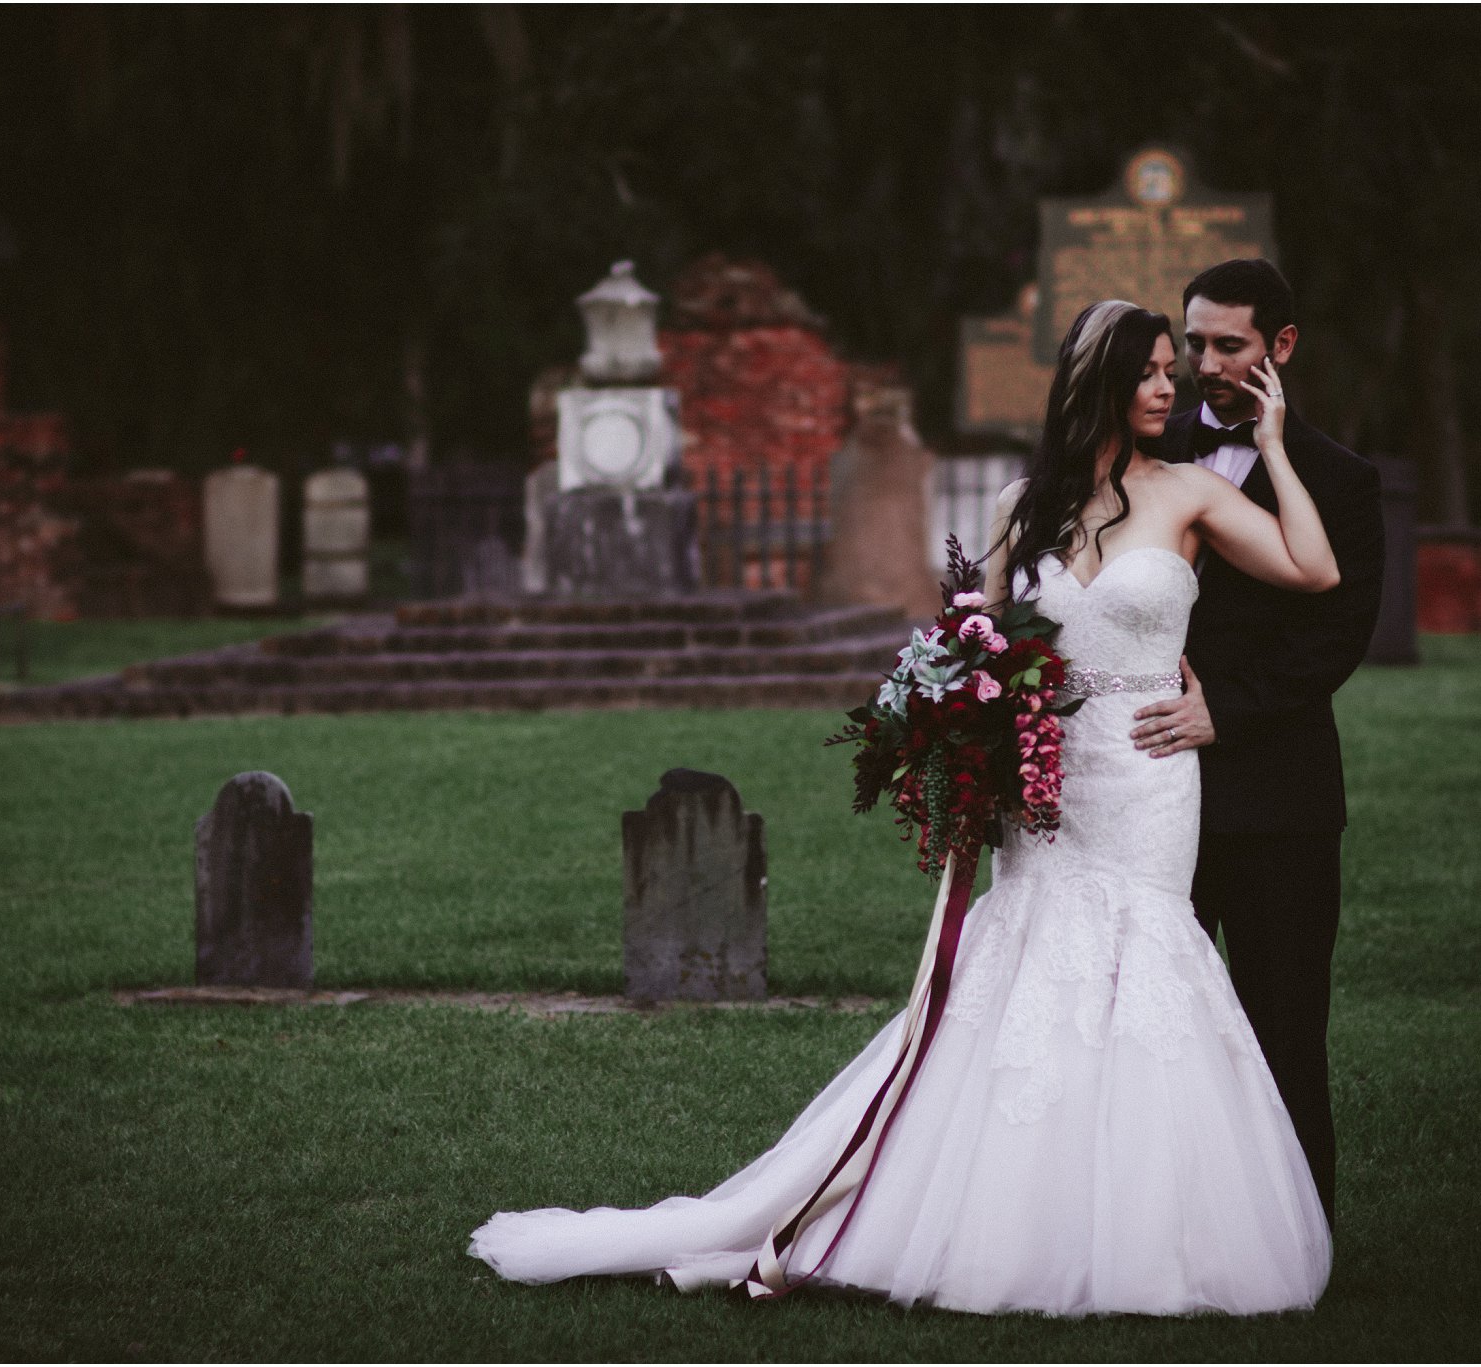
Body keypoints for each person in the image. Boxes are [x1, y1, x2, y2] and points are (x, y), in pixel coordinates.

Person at [470, 297, 1340, 1317]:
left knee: (1143, 960)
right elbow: (984, 632)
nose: (1167, 386)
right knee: (1021, 968)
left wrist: (1274, 447)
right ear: (1097, 381)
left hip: (1147, 772)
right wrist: (969, 715)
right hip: (1044, 774)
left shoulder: (1189, 491)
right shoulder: (1028, 502)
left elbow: (1312, 568)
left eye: (1169, 370)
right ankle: (989, 1213)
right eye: (1147, 370)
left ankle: (1148, 1224)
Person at [1131, 259, 1385, 1227]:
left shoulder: (1338, 479)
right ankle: (1165, 1222)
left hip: (1277, 798)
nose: (1202, 362)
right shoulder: (1144, 453)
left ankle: (1292, 1235)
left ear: (1279, 346)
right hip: (1151, 793)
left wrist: (1222, 710)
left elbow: (1334, 635)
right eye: (1191, 343)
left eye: (1225, 344)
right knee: (1160, 1021)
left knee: (1281, 1026)